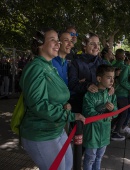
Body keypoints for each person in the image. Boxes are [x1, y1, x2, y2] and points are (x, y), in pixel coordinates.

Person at [19, 28, 85, 170]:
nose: (58, 43)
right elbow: (39, 105)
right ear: (40, 45)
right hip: (40, 133)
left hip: (56, 129)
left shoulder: (49, 67)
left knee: (68, 166)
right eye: (53, 40)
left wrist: (65, 104)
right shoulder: (36, 68)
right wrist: (70, 115)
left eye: (58, 40)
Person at [82, 64, 117, 170]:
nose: (112, 81)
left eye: (113, 78)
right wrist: (104, 109)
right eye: (108, 77)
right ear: (99, 78)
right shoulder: (90, 95)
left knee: (99, 158)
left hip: (105, 133)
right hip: (92, 133)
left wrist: (112, 110)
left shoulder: (111, 94)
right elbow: (88, 112)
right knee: (90, 159)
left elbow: (116, 113)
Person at [68, 32, 108, 114]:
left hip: (101, 105)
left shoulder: (103, 63)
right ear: (84, 46)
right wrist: (87, 85)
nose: (96, 47)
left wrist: (111, 87)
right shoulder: (76, 63)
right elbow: (72, 84)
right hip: (81, 107)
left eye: (98, 44)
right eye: (92, 44)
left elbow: (110, 81)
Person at [111, 49, 130, 141]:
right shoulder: (124, 67)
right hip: (122, 93)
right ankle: (115, 132)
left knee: (118, 113)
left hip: (117, 92)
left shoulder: (114, 65)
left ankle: (111, 130)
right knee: (124, 113)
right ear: (124, 57)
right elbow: (123, 81)